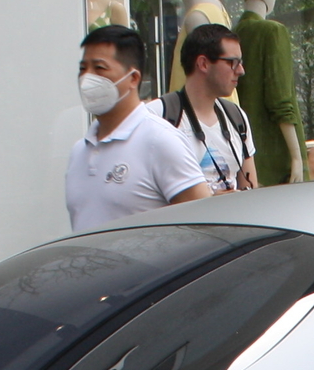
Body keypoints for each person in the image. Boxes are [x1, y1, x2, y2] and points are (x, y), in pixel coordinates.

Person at [66, 25, 211, 231]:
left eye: (99, 68)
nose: (87, 79)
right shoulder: (79, 151)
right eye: (83, 69)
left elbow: (205, 224)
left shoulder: (160, 140)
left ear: (133, 78)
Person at [158, 23, 257, 194]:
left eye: (241, 62)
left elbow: (251, 188)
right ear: (203, 63)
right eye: (233, 62)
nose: (241, 71)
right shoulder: (159, 115)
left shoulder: (237, 117)